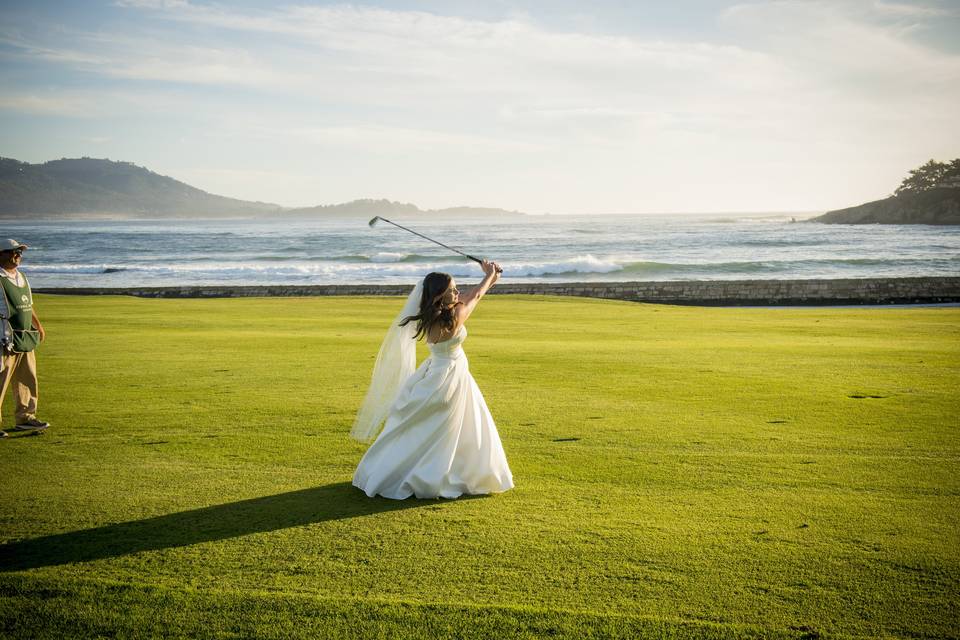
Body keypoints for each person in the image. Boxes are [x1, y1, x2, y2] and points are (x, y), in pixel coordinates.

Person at [351, 260, 513, 499]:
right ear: (440, 297)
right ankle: (437, 475)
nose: (457, 293)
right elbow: (475, 297)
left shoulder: (433, 315)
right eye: (452, 291)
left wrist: (490, 278)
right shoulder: (454, 317)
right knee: (451, 426)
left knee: (436, 427)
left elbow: (468, 295)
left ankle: (418, 469)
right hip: (450, 376)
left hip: (436, 372)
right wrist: (489, 276)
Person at [0, 239, 49, 438]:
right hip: (4, 338)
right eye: (13, 252)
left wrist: (38, 326)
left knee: (27, 379)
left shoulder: (21, 276)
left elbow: (28, 305)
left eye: (19, 252)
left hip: (25, 337)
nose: (17, 255)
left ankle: (26, 418)